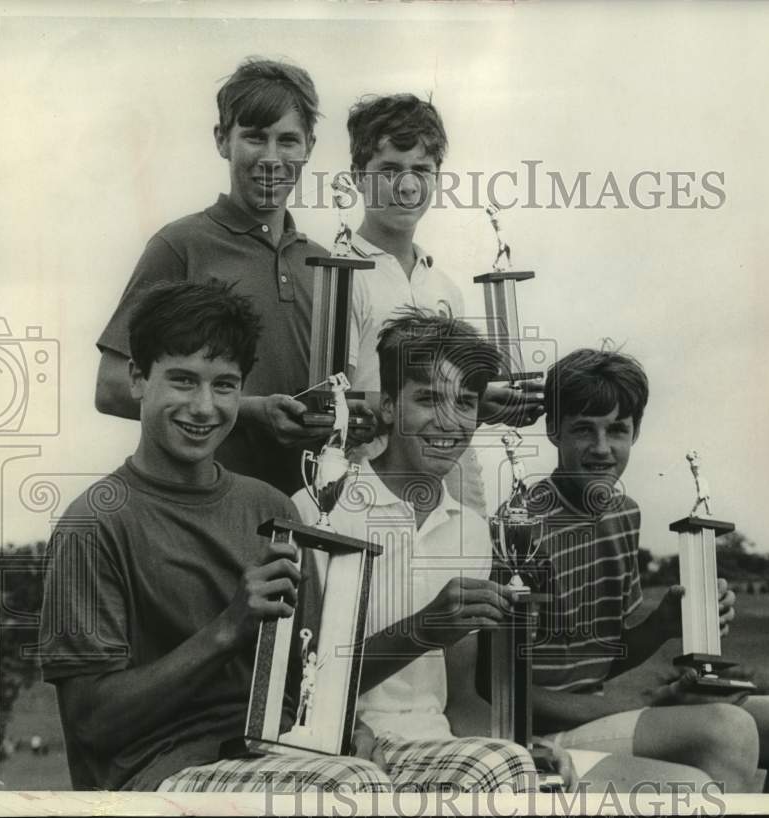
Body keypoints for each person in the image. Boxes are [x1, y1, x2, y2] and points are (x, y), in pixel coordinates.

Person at [294, 309, 714, 792]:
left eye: (466, 401)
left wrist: (521, 748)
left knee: (694, 789)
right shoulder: (319, 509)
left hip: (449, 748)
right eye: (429, 399)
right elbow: (300, 689)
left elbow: (462, 704)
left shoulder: (469, 531)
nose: (449, 421)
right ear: (387, 406)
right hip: (353, 750)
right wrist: (422, 629)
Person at [38, 280, 388, 792]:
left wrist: (349, 728)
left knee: (497, 765)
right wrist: (228, 628)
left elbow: (309, 670)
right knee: (352, 786)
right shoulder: (94, 523)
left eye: (224, 385)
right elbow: (91, 726)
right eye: (183, 381)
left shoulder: (270, 505)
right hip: (160, 777)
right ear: (137, 378)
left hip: (283, 754)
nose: (204, 407)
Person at [521, 347, 769, 793]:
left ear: (635, 432)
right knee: (723, 732)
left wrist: (664, 625)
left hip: (602, 716)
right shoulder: (522, 525)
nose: (602, 448)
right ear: (553, 431)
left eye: (617, 430)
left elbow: (600, 659)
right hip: (540, 737)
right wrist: (653, 704)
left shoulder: (624, 514)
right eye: (583, 429)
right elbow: (501, 692)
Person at [94, 57, 347, 495]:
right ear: (221, 140)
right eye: (254, 137)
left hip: (308, 515)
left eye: (288, 140)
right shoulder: (180, 246)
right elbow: (113, 388)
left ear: (309, 147)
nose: (271, 157)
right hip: (199, 510)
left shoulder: (326, 264)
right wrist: (246, 411)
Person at [342, 94, 544, 511]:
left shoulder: (444, 287)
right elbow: (334, 399)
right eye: (389, 170)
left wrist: (482, 402)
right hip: (368, 492)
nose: (408, 185)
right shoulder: (342, 275)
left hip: (447, 495)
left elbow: (451, 407)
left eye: (421, 169)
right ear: (358, 177)